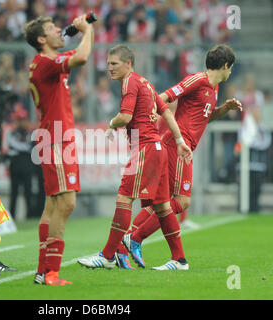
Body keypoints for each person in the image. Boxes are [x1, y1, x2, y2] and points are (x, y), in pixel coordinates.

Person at [123, 44, 243, 270]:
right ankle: (136, 239)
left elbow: (203, 118)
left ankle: (131, 244)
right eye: (231, 68)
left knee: (162, 202)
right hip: (177, 145)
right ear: (226, 65)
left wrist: (224, 109)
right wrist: (146, 121)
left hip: (184, 146)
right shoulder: (197, 80)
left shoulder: (214, 89)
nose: (230, 72)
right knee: (182, 201)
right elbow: (164, 97)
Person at [77, 44, 192, 271]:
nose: (109, 68)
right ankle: (179, 259)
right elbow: (166, 112)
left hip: (145, 149)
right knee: (162, 207)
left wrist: (111, 124)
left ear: (128, 64)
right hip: (157, 148)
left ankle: (107, 256)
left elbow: (125, 115)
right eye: (108, 64)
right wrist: (179, 141)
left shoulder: (129, 82)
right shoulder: (145, 82)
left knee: (124, 199)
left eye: (114, 64)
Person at [24, 14, 94, 286]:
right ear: (42, 39)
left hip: (52, 137)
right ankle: (51, 271)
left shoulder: (44, 63)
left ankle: (44, 271)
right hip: (56, 139)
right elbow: (82, 57)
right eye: (52, 29)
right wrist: (88, 31)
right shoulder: (46, 62)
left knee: (52, 204)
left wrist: (83, 34)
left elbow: (75, 55)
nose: (57, 30)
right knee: (66, 203)